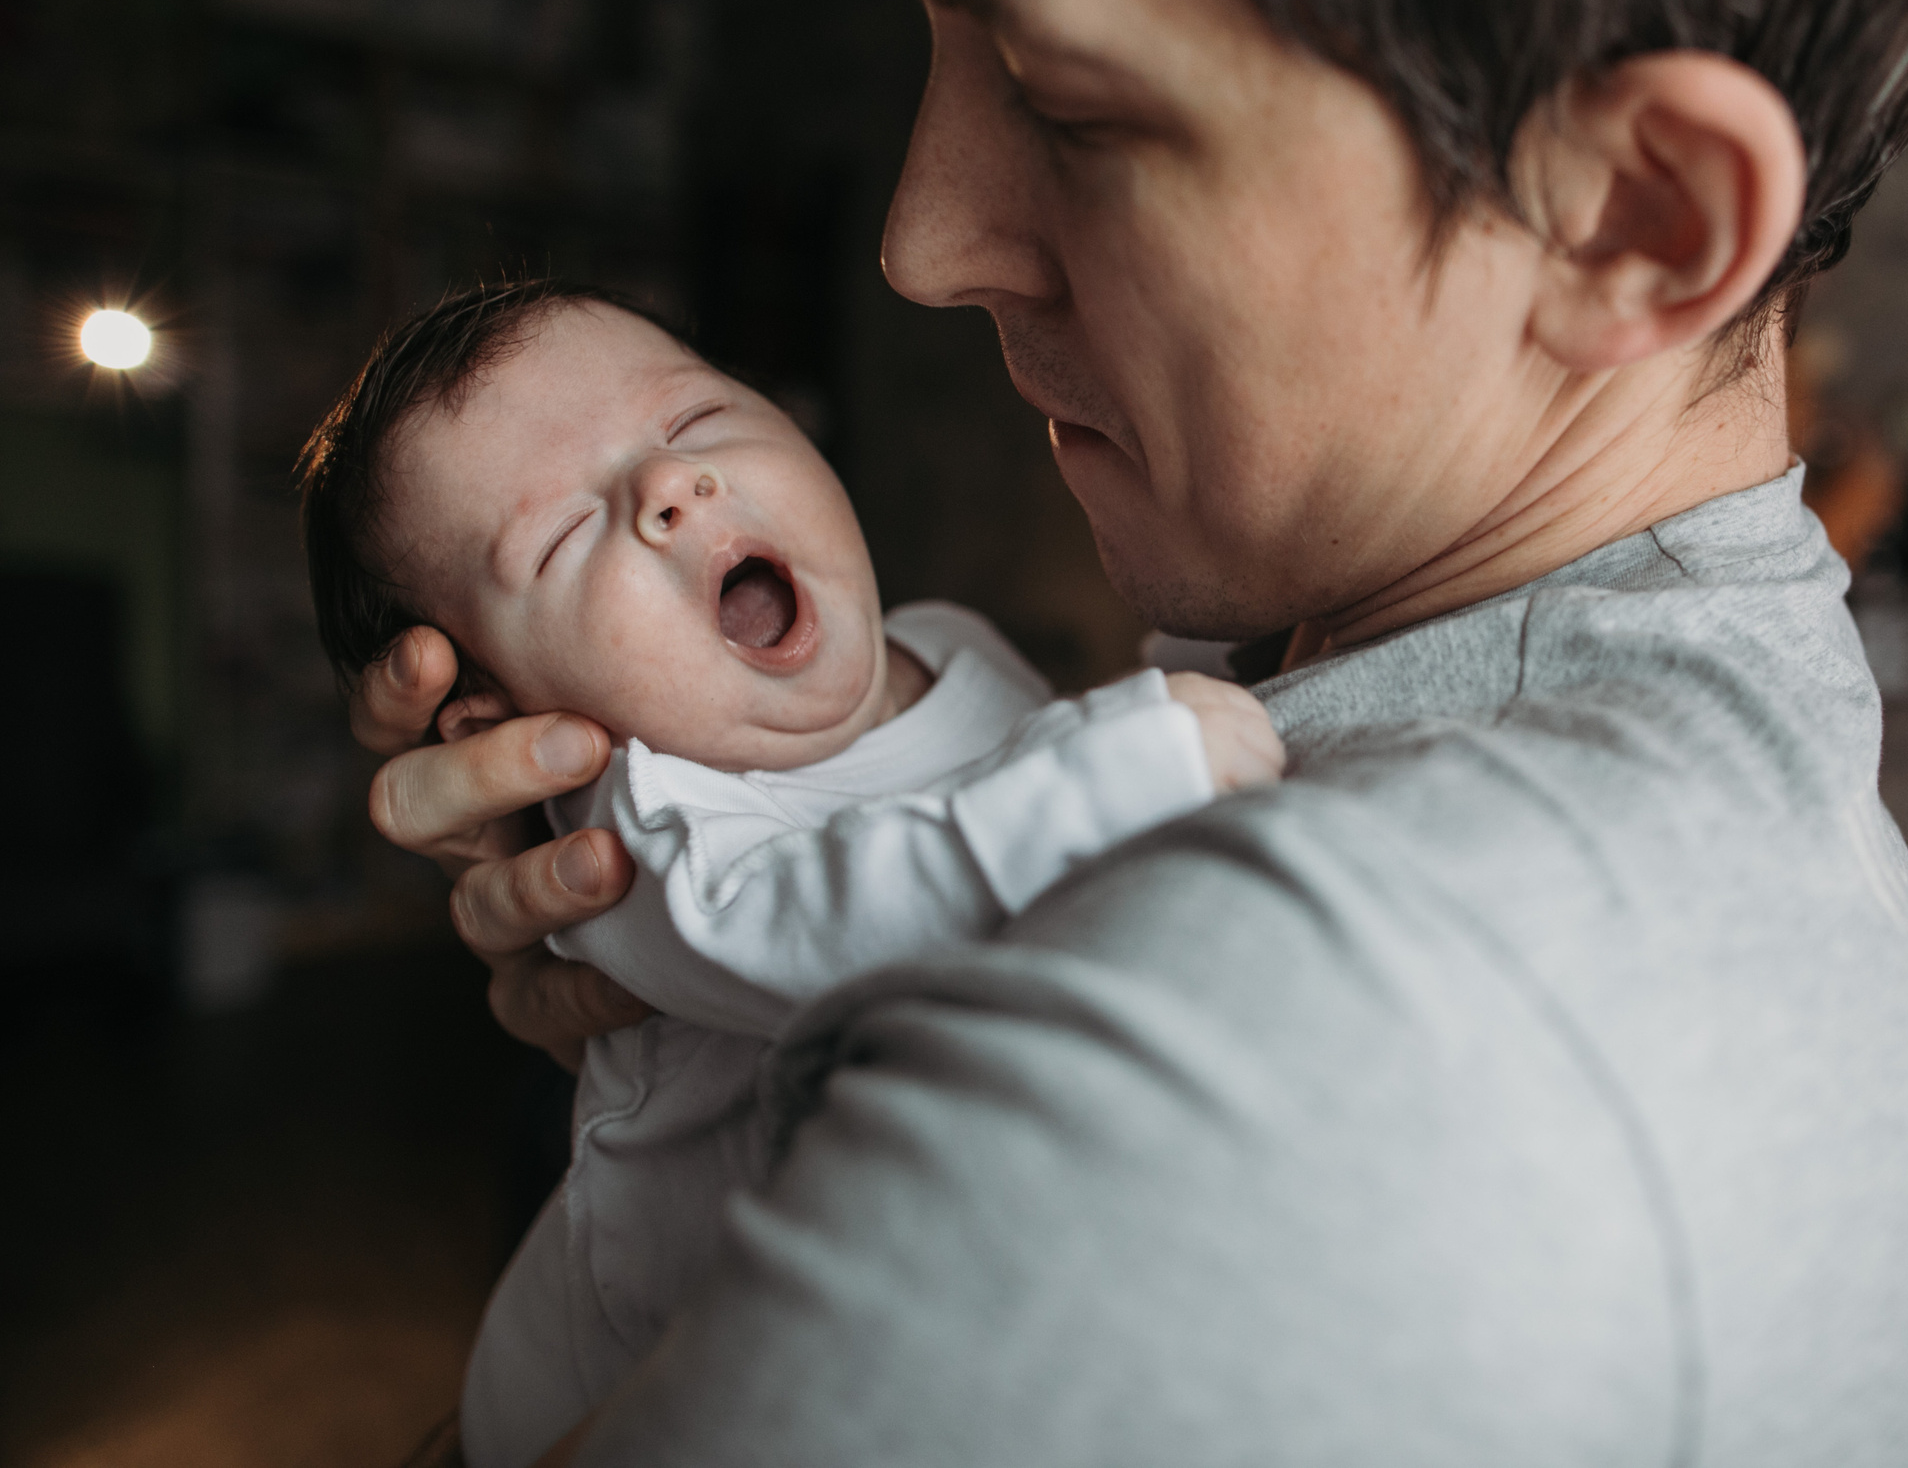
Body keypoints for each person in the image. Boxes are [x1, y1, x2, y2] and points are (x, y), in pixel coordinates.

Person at [354, 0, 1908, 1462]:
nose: (922, 238)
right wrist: (676, 935)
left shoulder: (1283, 1023)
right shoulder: (1629, 713)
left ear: (1633, 213)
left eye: (1067, 98)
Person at [296, 281, 1281, 1467]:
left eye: (697, 422)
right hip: (616, 1377)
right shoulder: (652, 830)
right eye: (561, 538)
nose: (668, 489)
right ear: (503, 719)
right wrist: (1115, 772)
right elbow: (846, 931)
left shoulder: (946, 642)